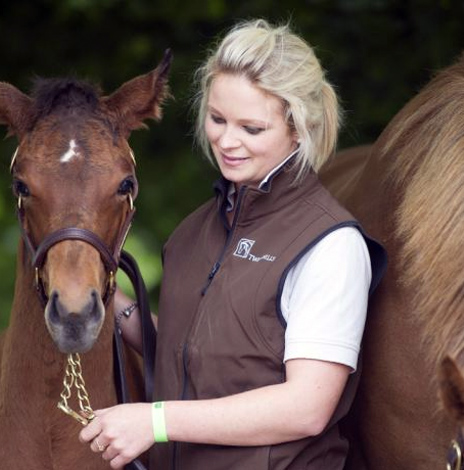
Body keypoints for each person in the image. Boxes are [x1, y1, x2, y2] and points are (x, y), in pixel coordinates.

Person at [80, 19, 386, 470]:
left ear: (299, 129)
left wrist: (155, 421)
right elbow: (200, 359)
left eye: (252, 128)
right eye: (217, 119)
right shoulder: (191, 233)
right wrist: (109, 303)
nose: (227, 141)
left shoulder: (332, 245)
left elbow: (306, 407)